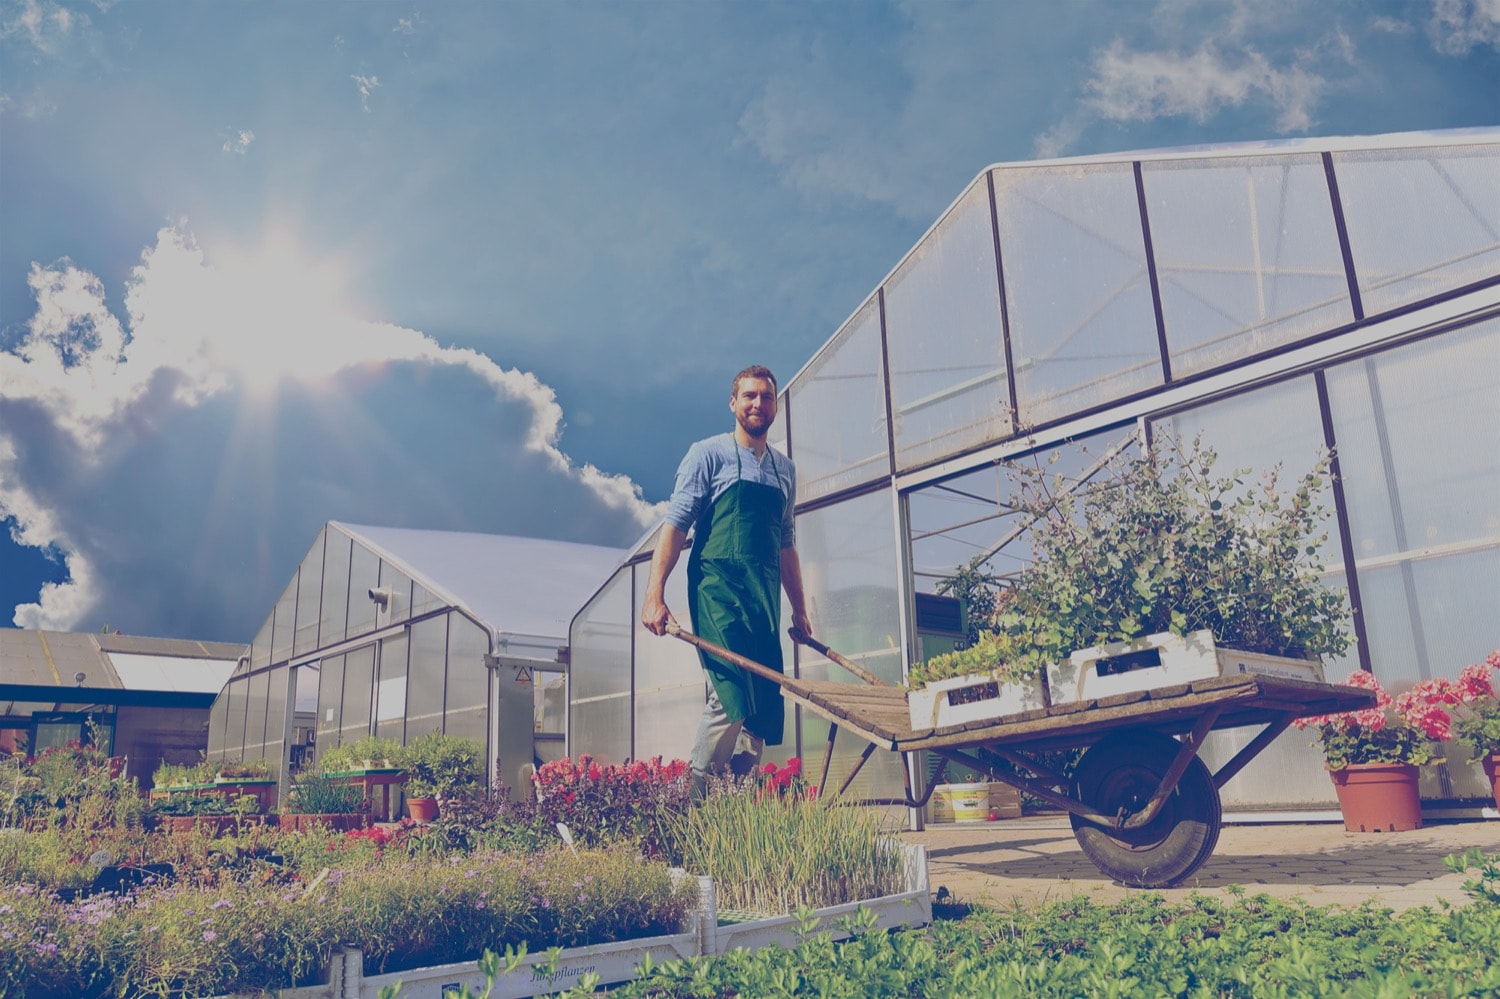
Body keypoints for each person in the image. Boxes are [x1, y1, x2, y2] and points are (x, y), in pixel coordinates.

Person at [642, 364, 812, 800]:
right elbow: (676, 526)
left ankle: (731, 805)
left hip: (763, 595)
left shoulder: (784, 471)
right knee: (730, 692)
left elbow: (786, 542)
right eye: (750, 396)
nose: (759, 403)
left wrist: (800, 608)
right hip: (717, 588)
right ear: (734, 403)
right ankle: (693, 803)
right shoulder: (708, 454)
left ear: (775, 406)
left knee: (762, 703)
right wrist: (654, 595)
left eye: (767, 397)